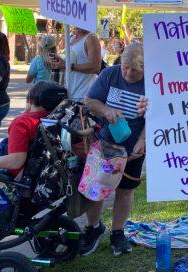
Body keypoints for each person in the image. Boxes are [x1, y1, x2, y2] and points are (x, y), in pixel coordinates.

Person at [82, 42, 148, 257]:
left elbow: (157, 115)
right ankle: (93, 228)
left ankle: (118, 232)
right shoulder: (110, 74)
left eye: (134, 69)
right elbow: (89, 101)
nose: (128, 73)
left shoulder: (153, 81)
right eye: (125, 67)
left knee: (125, 190)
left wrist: (143, 140)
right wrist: (106, 110)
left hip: (133, 148)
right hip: (107, 143)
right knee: (97, 187)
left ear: (145, 67)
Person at [0, 81, 67, 177]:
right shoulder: (63, 119)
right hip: (49, 173)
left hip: (19, 180)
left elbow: (15, 162)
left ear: (31, 100)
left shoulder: (23, 122)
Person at [50, 27, 101, 102]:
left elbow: (95, 67)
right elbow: (70, 63)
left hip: (84, 94)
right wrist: (59, 61)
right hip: (70, 92)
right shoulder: (72, 38)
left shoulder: (91, 38)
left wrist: (69, 66)